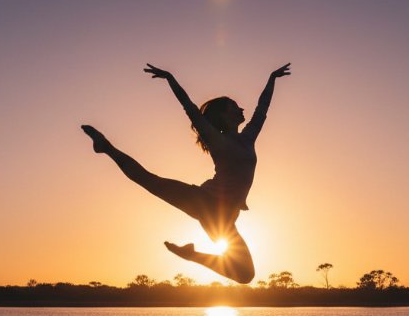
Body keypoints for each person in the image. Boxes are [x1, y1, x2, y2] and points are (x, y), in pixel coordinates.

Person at [82, 62, 291, 284]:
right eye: (234, 106)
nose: (241, 109)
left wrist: (272, 78)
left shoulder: (248, 136)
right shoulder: (214, 137)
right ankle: (106, 147)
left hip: (224, 219)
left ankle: (191, 255)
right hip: (205, 201)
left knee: (245, 274)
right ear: (223, 115)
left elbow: (262, 108)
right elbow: (189, 107)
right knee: (149, 180)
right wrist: (170, 78)